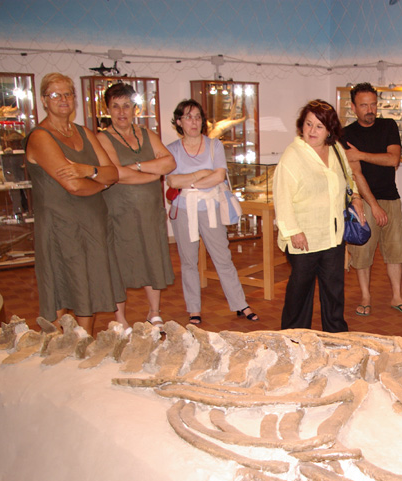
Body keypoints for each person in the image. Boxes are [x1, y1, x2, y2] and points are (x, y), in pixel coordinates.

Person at [23, 72, 120, 335]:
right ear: (44, 100)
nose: (63, 99)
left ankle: (83, 343)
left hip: (92, 222)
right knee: (61, 284)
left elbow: (114, 172)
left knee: (87, 284)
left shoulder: (83, 132)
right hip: (61, 225)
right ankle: (55, 349)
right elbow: (74, 186)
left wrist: (87, 169)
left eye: (67, 93)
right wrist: (101, 181)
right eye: (55, 94)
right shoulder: (41, 137)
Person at [274, 100, 365, 332]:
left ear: (329, 130)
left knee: (334, 290)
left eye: (319, 126)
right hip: (304, 236)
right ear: (301, 126)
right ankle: (294, 338)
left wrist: (355, 197)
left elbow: (348, 178)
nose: (312, 131)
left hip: (333, 235)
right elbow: (282, 197)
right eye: (308, 124)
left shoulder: (335, 150)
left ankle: (336, 335)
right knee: (300, 292)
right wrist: (293, 231)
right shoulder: (293, 155)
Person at [165, 99, 258, 326]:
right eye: (188, 117)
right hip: (183, 210)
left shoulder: (214, 145)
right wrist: (201, 174)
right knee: (188, 261)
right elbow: (171, 180)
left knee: (222, 257)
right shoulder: (172, 149)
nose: (193, 121)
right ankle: (193, 309)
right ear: (179, 122)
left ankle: (239, 304)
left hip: (211, 208)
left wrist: (190, 183)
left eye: (197, 116)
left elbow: (218, 176)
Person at [97, 82, 176, 331]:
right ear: (108, 109)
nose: (122, 112)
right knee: (119, 262)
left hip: (150, 212)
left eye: (127, 106)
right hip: (120, 213)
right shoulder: (103, 137)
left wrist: (137, 167)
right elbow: (115, 173)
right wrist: (152, 171)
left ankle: (154, 311)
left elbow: (169, 163)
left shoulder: (146, 134)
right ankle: (120, 317)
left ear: (135, 108)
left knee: (153, 258)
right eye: (116, 106)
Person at [343, 82, 402, 317]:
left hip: (391, 198)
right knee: (362, 251)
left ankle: (397, 296)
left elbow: (393, 160)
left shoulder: (388, 126)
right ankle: (365, 296)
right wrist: (372, 205)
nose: (370, 109)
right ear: (354, 107)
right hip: (362, 201)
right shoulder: (347, 134)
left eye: (373, 104)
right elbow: (356, 173)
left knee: (397, 249)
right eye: (364, 105)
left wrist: (361, 154)